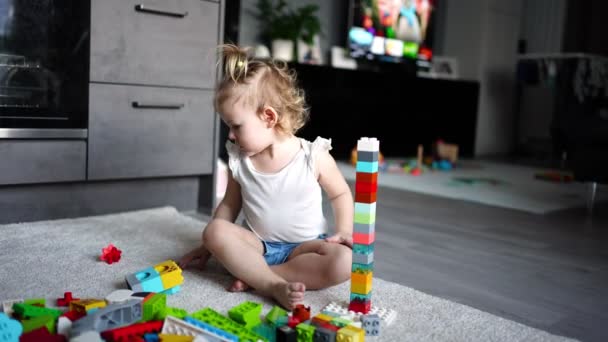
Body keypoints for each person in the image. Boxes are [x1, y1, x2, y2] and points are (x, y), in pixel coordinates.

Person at [179, 44, 354, 310]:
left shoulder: (312, 155)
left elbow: (340, 194)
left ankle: (257, 276)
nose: (230, 135)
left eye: (236, 126)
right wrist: (209, 247)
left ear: (269, 117)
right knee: (214, 231)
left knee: (345, 262)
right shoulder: (241, 159)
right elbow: (229, 204)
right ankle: (272, 285)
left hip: (304, 248)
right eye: (228, 126)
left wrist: (344, 230)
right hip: (257, 245)